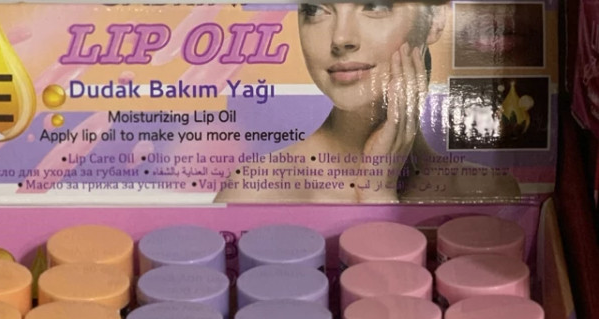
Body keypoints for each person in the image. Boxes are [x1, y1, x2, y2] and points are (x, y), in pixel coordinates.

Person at [217, 2, 519, 203]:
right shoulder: (253, 192)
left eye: (375, 5)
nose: (341, 38)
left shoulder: (489, 193)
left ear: (435, 18)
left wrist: (379, 195)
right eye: (316, 9)